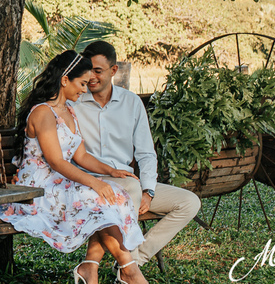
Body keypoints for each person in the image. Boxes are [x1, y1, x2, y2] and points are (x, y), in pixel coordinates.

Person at [0, 49, 161, 284]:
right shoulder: (43, 113)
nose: (85, 90)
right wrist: (95, 183)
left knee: (114, 195)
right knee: (99, 197)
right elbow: (55, 161)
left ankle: (97, 269)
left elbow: (82, 157)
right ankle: (128, 271)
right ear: (65, 79)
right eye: (82, 84)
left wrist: (111, 171)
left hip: (59, 181)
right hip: (37, 186)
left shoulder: (70, 111)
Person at [73, 40, 201, 270]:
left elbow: (146, 153)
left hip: (128, 183)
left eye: (98, 71)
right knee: (129, 187)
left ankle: (134, 261)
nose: (91, 76)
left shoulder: (131, 102)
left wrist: (148, 191)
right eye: (88, 70)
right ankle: (129, 269)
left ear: (114, 71)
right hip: (91, 183)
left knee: (189, 202)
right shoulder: (74, 102)